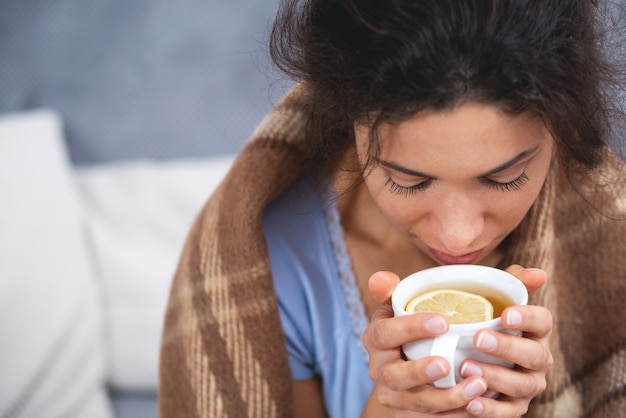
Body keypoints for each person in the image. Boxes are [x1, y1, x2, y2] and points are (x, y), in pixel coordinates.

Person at [159, 0, 626, 417]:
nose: (458, 237)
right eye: (409, 181)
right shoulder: (265, 265)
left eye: (506, 177)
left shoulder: (611, 230)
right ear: (348, 118)